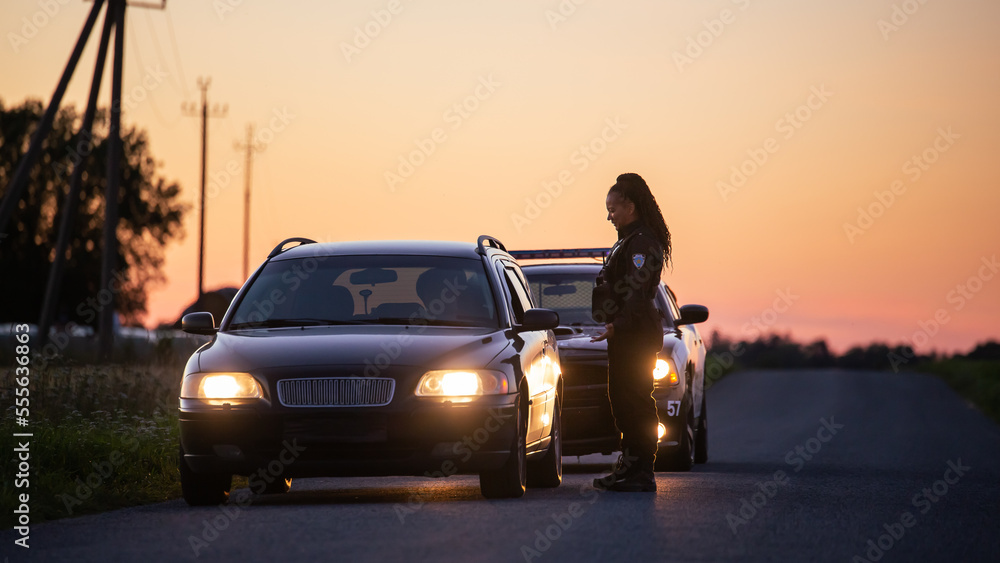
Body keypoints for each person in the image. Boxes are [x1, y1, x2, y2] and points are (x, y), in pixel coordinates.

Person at [591, 173, 671, 492]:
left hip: (635, 335)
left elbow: (637, 294)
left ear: (631, 207)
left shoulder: (641, 242)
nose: (609, 215)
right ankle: (629, 465)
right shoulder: (628, 239)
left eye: (613, 208)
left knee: (636, 399)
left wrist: (617, 325)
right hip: (626, 335)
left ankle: (642, 470)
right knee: (622, 398)